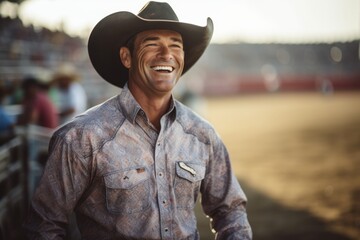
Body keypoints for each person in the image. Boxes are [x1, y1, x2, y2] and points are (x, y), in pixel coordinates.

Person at [24, 2, 252, 239]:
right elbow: (44, 226)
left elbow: (231, 211)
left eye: (176, 45)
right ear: (126, 57)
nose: (166, 54)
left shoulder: (202, 134)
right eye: (153, 43)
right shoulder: (81, 138)